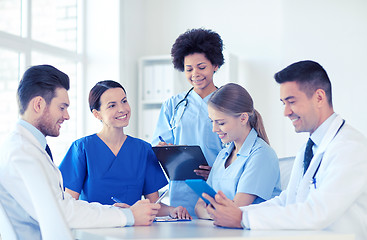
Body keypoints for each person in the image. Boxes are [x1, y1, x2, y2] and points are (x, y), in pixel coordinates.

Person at [202, 60, 367, 240]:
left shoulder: (350, 147)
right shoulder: (308, 148)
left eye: (291, 102)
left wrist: (243, 218)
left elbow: (318, 212)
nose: (286, 112)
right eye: (283, 103)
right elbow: (287, 200)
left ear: (319, 97)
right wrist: (236, 212)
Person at [0, 65, 162, 238]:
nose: (67, 115)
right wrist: (128, 216)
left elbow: (65, 204)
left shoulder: (28, 147)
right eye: (62, 107)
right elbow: (62, 212)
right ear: (39, 104)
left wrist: (113, 212)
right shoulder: (22, 152)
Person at [59, 80, 191, 220]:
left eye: (124, 101)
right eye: (112, 105)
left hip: (135, 230)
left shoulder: (143, 150)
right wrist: (112, 214)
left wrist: (173, 210)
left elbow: (153, 204)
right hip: (95, 229)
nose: (122, 109)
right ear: (97, 114)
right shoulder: (82, 148)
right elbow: (70, 204)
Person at [151, 28, 224, 216]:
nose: (195, 74)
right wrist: (164, 149)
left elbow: (238, 148)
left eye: (201, 67)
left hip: (219, 188)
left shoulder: (228, 103)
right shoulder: (172, 105)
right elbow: (158, 144)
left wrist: (217, 172)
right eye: (189, 69)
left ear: (215, 65)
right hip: (181, 194)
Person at [194, 83, 281, 219]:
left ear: (243, 118)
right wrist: (215, 213)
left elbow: (235, 211)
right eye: (212, 121)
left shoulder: (261, 155)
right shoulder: (223, 154)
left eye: (221, 123)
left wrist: (210, 211)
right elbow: (198, 207)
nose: (214, 129)